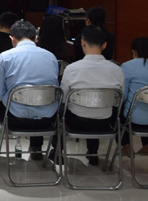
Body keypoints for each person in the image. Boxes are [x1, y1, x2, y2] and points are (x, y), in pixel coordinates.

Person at [0, 21, 59, 163]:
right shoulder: (51, 57)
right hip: (46, 119)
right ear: (35, 38)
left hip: (14, 118)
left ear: (12, 38)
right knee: (39, 99)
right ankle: (36, 148)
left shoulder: (5, 57)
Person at [49, 25, 124, 165]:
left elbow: (63, 98)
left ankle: (58, 150)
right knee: (97, 105)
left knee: (60, 109)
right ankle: (93, 152)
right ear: (104, 45)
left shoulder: (72, 69)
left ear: (82, 42)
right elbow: (119, 101)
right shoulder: (117, 70)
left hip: (76, 120)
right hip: (105, 121)